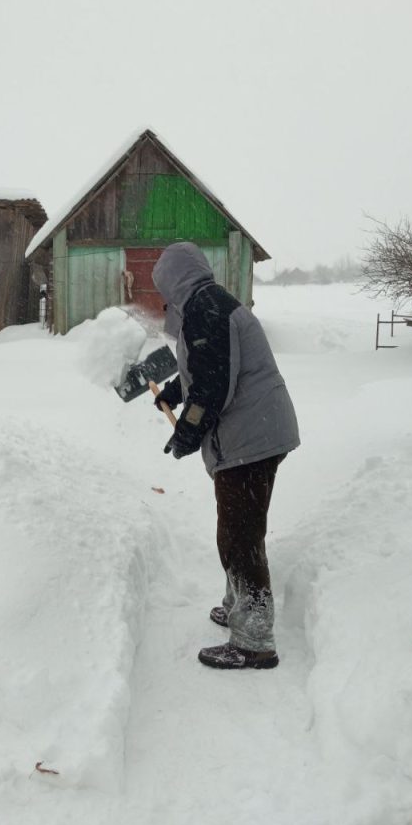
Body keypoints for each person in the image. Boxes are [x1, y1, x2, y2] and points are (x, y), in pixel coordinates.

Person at [151, 242, 299, 670]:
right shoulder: (209, 303)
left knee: (239, 536)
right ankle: (239, 607)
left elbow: (214, 385)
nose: (163, 298)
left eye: (163, 287)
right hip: (256, 431)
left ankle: (254, 641)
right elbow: (207, 367)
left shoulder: (206, 309)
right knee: (238, 527)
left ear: (174, 280)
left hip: (251, 437)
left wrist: (187, 431)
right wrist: (175, 392)